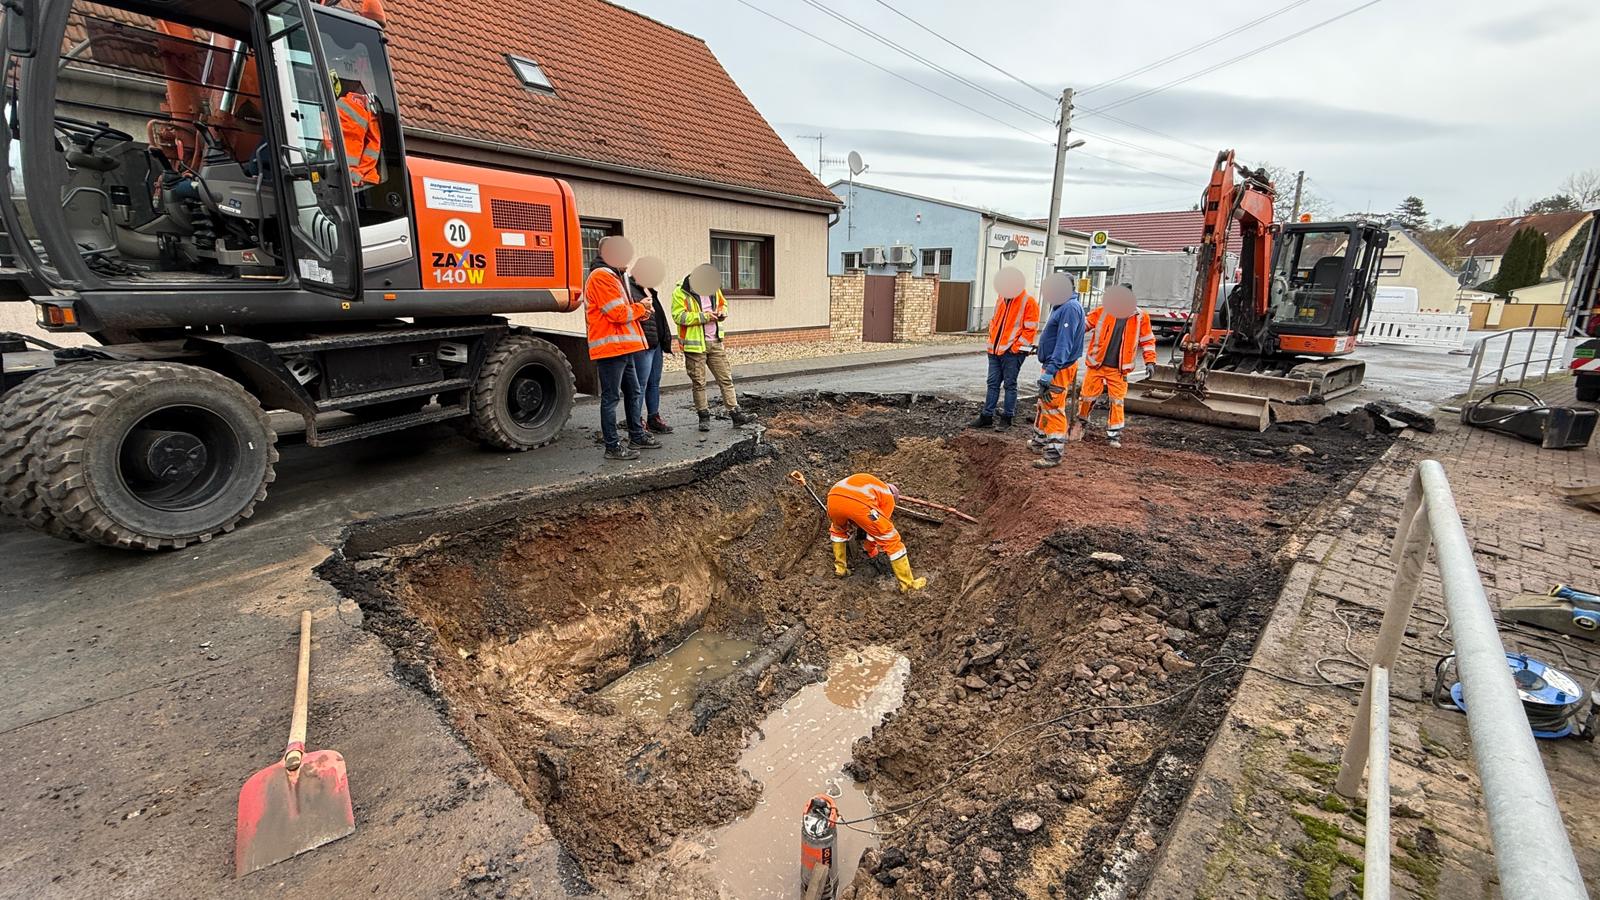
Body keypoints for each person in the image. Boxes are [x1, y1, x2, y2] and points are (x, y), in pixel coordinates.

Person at [584, 236, 660, 460]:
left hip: (622, 347)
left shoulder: (615, 277)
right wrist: (641, 307)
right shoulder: (602, 277)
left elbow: (626, 311)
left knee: (634, 391)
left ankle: (636, 434)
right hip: (611, 348)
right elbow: (618, 314)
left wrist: (641, 310)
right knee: (611, 398)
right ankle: (612, 446)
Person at [671, 263, 754, 431]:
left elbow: (723, 304)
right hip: (695, 347)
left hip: (715, 342)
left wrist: (722, 313)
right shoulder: (680, 292)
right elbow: (678, 316)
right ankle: (703, 416)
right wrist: (704, 316)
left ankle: (736, 414)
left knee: (725, 379)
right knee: (699, 383)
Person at [1077, 284, 1157, 448]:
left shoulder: (1140, 317)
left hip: (1119, 369)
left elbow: (1147, 340)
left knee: (1117, 401)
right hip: (1096, 365)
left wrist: (1150, 361)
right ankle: (1081, 424)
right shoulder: (1103, 311)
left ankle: (1114, 435)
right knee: (1086, 397)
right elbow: (1084, 325)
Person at [826, 473, 926, 593]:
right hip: (857, 503)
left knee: (838, 530)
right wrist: (871, 550)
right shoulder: (888, 497)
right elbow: (877, 532)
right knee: (891, 539)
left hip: (832, 498)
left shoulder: (872, 485)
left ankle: (840, 568)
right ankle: (908, 585)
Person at [971, 266, 1039, 431]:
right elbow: (995, 322)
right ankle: (987, 416)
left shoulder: (1028, 302)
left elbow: (1030, 330)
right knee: (992, 383)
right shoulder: (1001, 298)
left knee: (1010, 384)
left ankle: (1007, 417)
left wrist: (1015, 348)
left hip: (1012, 353)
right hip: (995, 351)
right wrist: (991, 342)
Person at [1029, 273, 1085, 468]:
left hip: (1059, 368)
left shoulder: (1069, 308)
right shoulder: (1062, 306)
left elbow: (1064, 344)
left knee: (1053, 408)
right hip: (1055, 364)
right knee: (1043, 405)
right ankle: (1040, 440)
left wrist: (1050, 370)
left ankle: (1053, 453)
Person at [627, 255, 673, 434]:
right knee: (640, 385)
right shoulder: (630, 289)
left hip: (657, 344)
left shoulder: (650, 290)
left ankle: (653, 417)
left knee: (654, 382)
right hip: (643, 344)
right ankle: (637, 423)